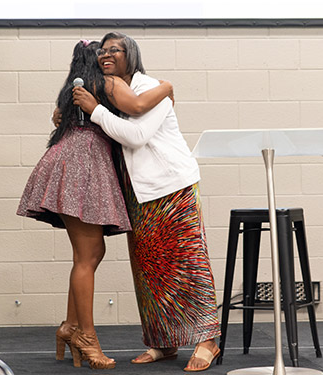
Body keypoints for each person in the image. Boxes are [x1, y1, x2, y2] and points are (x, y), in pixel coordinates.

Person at [16, 39, 173, 370]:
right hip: (81, 165)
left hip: (70, 160)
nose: (108, 58)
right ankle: (86, 336)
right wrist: (167, 87)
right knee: (87, 256)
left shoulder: (74, 89)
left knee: (90, 254)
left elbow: (59, 118)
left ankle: (70, 327)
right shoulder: (107, 83)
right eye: (104, 54)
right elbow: (139, 106)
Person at [72, 32, 221, 372]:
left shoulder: (153, 90)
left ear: (132, 55)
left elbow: (136, 137)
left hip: (171, 186)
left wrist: (94, 111)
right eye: (102, 51)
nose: (106, 55)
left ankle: (208, 339)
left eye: (115, 50)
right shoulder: (113, 94)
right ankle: (163, 342)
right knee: (149, 270)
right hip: (138, 194)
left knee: (188, 264)